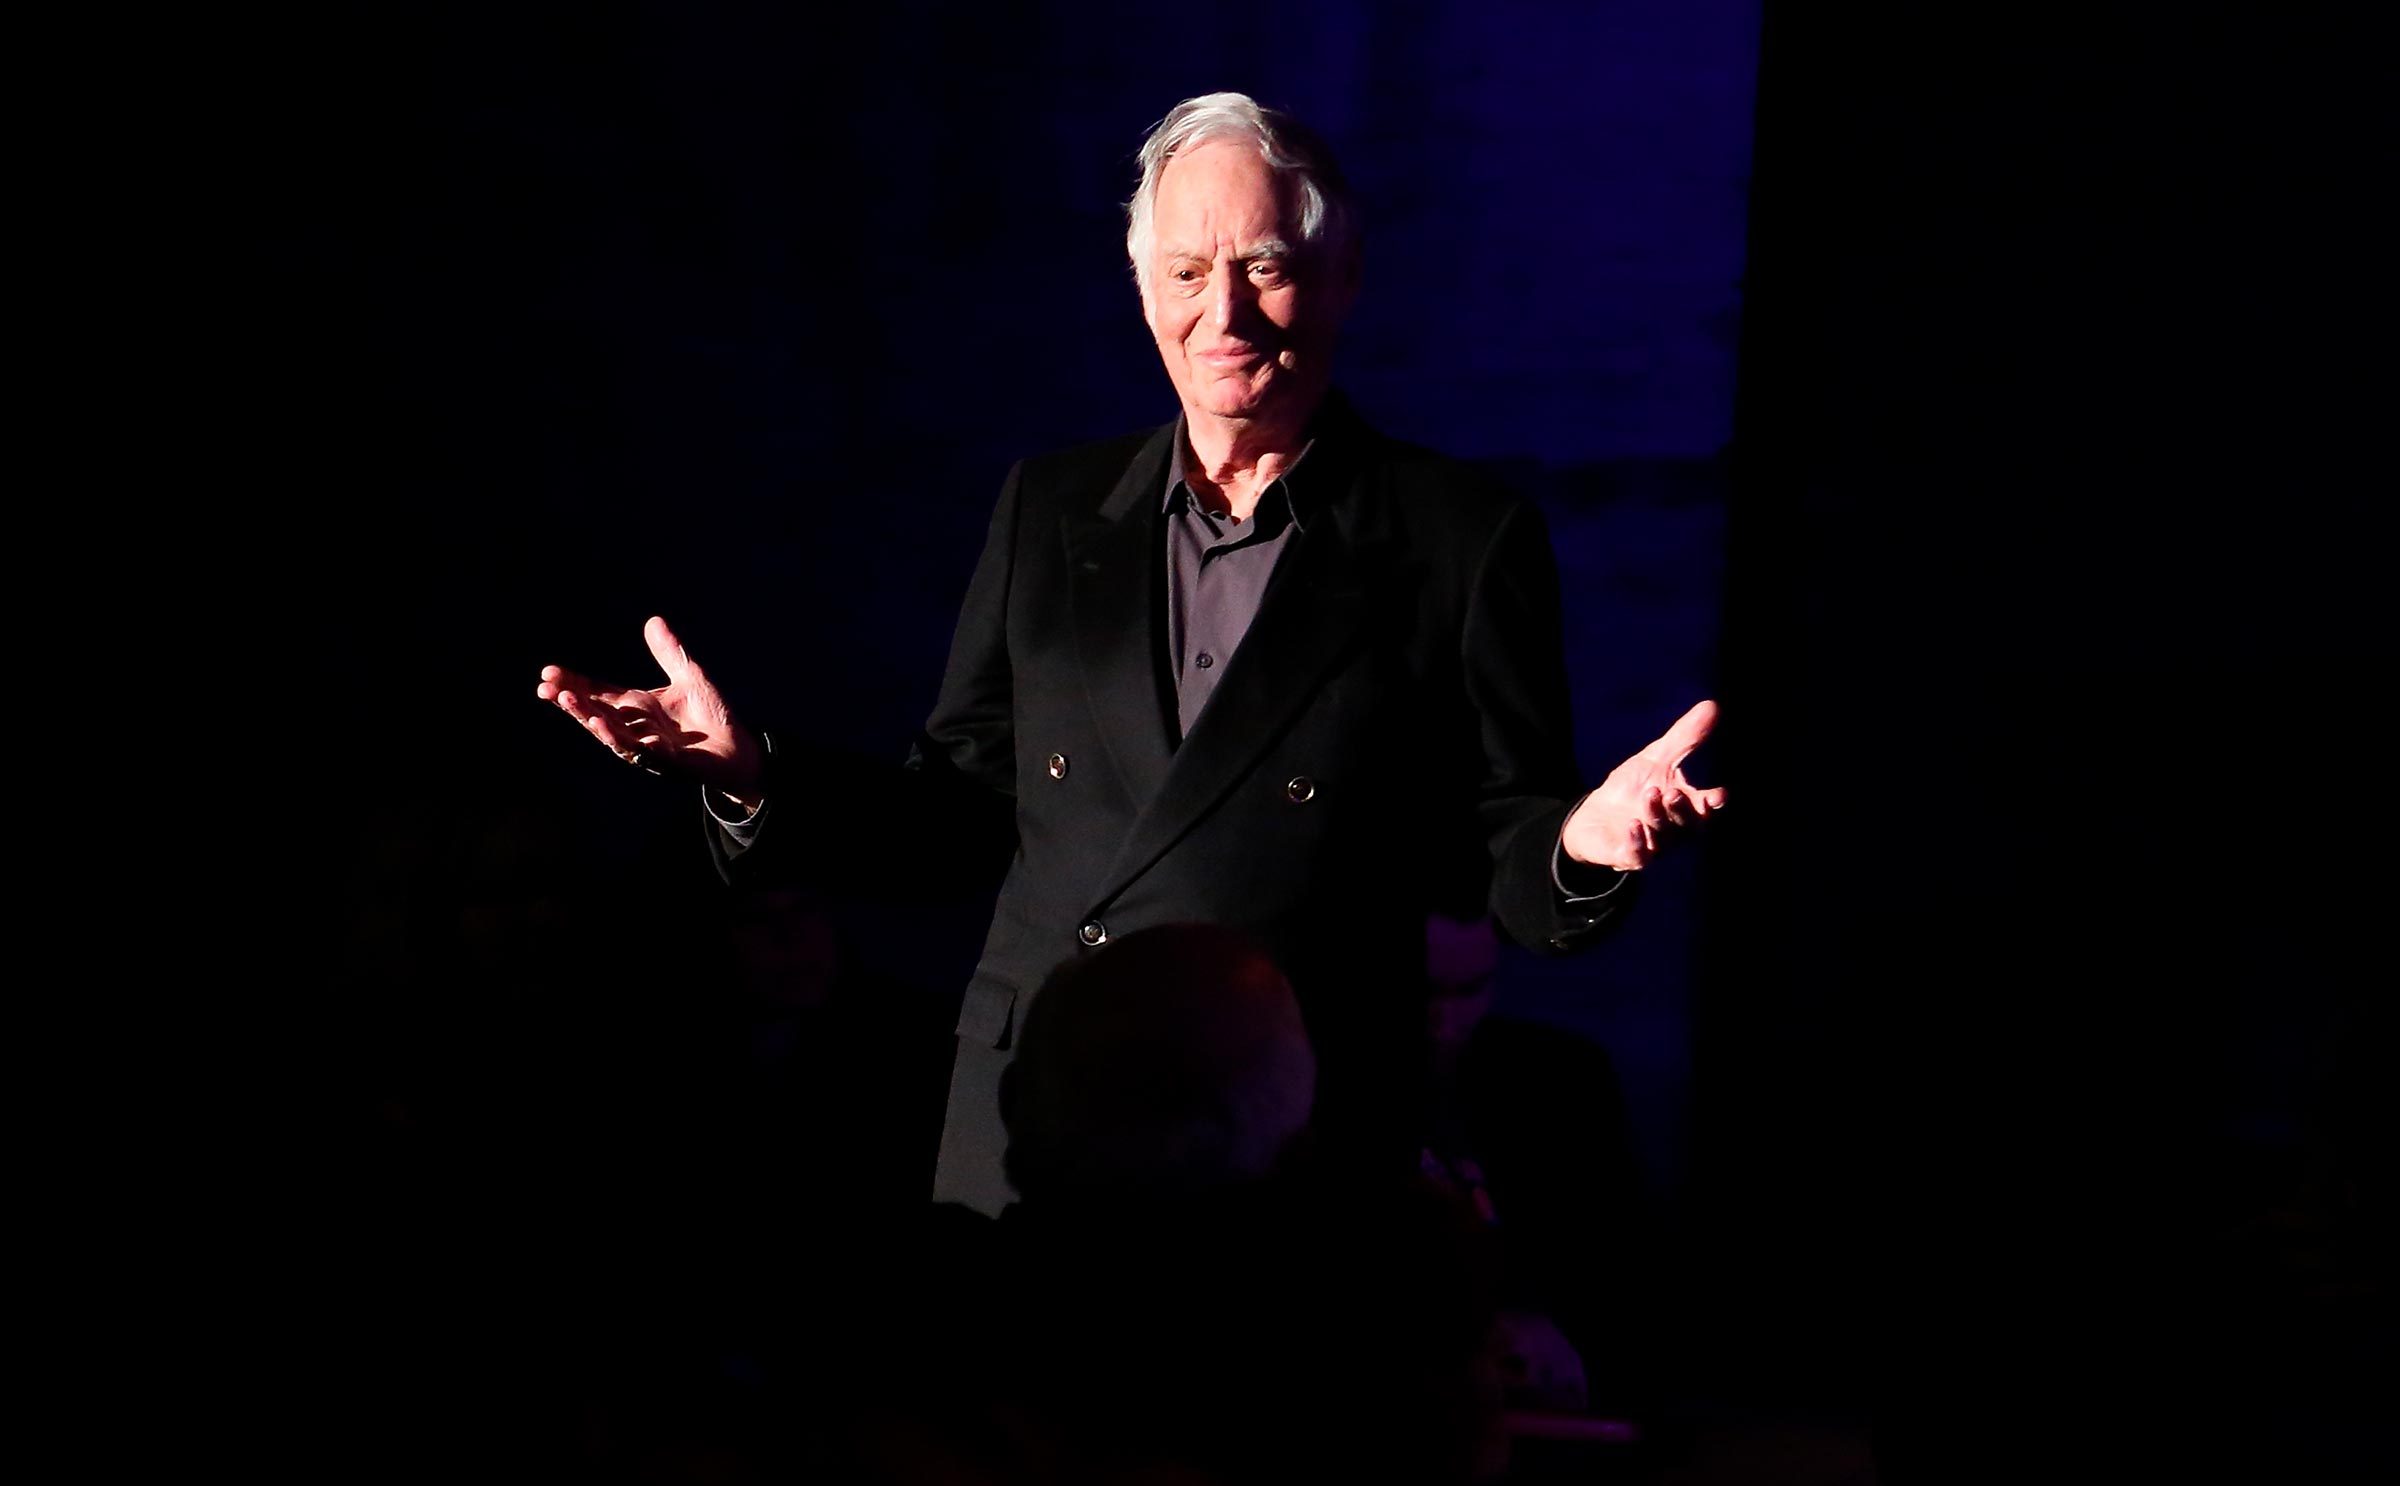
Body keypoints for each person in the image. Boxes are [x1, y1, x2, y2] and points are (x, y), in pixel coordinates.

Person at [536, 91, 1725, 1214]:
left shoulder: (1459, 538)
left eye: (1265, 266)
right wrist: (754, 776)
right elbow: (953, 817)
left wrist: (1586, 840)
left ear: (1342, 278)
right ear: (1142, 289)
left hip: (1286, 1134)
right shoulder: (1051, 512)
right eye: (1189, 272)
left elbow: (1505, 859)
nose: (1225, 314)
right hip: (1036, 1116)